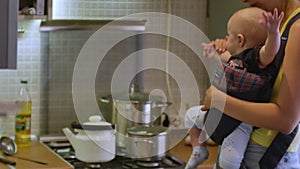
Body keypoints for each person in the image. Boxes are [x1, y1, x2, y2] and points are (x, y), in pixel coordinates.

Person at [201, 0, 300, 168]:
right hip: (249, 147)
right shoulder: (279, 23)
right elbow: (253, 61)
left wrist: (219, 100)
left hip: (264, 154)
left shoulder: (297, 29)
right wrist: (231, 49)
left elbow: (286, 120)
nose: (243, 0)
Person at [184, 6, 284, 169]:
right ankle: (198, 150)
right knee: (189, 116)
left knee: (229, 161)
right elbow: (224, 57)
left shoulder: (255, 59)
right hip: (218, 112)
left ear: (240, 40)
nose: (225, 38)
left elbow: (270, 52)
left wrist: (273, 34)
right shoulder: (235, 59)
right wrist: (213, 51)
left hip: (239, 124)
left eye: (228, 35)